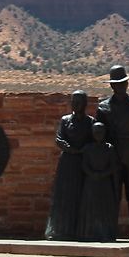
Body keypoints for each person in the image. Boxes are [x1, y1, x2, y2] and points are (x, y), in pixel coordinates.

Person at [96, 64, 129, 242]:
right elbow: (98, 134)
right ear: (111, 85)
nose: (121, 86)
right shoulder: (103, 108)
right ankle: (110, 232)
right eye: (117, 83)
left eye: (123, 83)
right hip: (112, 157)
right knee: (112, 194)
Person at [44, 90, 94, 241]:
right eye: (73, 101)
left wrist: (83, 150)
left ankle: (80, 231)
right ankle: (60, 230)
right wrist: (70, 148)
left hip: (82, 163)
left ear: (85, 104)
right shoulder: (65, 120)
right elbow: (59, 138)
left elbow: (94, 141)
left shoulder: (90, 121)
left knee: (81, 195)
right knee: (64, 196)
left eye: (78, 101)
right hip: (67, 162)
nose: (75, 104)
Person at [77, 122, 120, 242]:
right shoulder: (88, 148)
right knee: (89, 208)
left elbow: (113, 166)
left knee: (105, 208)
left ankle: (105, 233)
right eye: (96, 132)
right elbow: (84, 165)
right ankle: (88, 233)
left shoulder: (109, 148)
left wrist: (102, 174)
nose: (98, 135)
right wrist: (93, 174)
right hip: (90, 183)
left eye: (100, 132)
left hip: (105, 183)